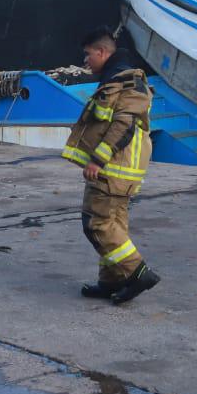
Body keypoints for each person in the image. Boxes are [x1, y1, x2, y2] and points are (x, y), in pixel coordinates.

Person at [62, 27, 159, 304]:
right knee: (113, 225)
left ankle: (138, 272)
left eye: (88, 55)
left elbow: (123, 125)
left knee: (97, 223)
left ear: (102, 52)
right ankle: (112, 280)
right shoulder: (117, 80)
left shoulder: (127, 83)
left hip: (113, 169)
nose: (85, 61)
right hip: (115, 170)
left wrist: (97, 159)